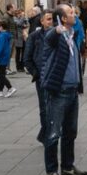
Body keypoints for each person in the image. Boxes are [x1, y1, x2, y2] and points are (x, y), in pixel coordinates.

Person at [40, 4, 87, 175]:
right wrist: (56, 30)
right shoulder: (56, 35)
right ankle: (51, 171)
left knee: (70, 132)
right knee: (53, 133)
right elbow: (49, 37)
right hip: (58, 91)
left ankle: (67, 166)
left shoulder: (71, 36)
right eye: (69, 12)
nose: (73, 14)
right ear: (62, 18)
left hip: (72, 91)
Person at [25, 10, 52, 143]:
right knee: (44, 106)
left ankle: (47, 132)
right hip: (41, 76)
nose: (51, 21)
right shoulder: (34, 36)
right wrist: (36, 73)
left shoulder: (58, 35)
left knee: (54, 106)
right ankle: (46, 133)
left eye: (52, 19)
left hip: (54, 75)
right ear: (41, 21)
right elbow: (27, 58)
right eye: (48, 19)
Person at [0, 19, 16, 98]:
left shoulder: (2, 36)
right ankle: (0, 90)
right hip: (4, 57)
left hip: (0, 58)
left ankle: (10, 88)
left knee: (0, 74)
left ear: (1, 27)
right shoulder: (4, 34)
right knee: (1, 74)